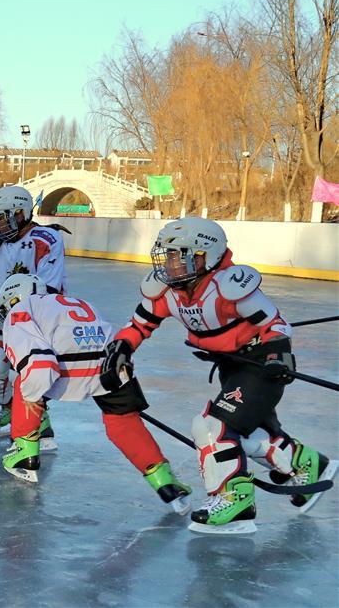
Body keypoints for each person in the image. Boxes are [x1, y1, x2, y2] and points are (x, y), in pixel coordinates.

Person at [103, 216, 336, 534]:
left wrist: (278, 356)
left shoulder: (227, 287)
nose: (170, 264)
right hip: (231, 366)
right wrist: (121, 348)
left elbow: (276, 325)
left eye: (179, 256)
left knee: (212, 427)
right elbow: (139, 325)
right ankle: (305, 462)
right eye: (168, 255)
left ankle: (235, 501)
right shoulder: (170, 291)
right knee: (243, 432)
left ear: (205, 256)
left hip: (259, 366)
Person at [0, 274, 193, 516]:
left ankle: (24, 452)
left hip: (64, 363)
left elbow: (39, 365)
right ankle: (164, 480)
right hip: (111, 361)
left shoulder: (19, 311)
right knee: (122, 421)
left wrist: (31, 404)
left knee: (24, 378)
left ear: (13, 299)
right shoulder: (73, 302)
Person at [0, 186, 68, 448]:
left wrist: (16, 310)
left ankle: (40, 426)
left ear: (20, 214)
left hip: (41, 317)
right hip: (8, 317)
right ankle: (9, 410)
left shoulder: (46, 239)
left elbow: (47, 288)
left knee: (24, 373)